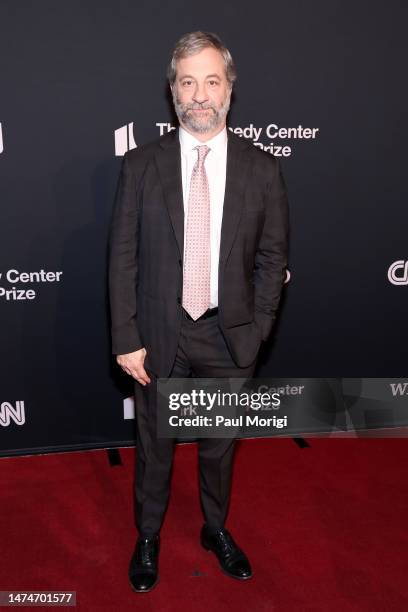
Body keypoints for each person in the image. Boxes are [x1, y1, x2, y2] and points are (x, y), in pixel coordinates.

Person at [108, 30, 289, 593]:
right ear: (173, 91)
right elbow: (122, 257)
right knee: (154, 448)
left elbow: (272, 256)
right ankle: (148, 535)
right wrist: (126, 335)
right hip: (159, 336)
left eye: (212, 80)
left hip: (228, 336)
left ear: (229, 89)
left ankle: (216, 529)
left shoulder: (262, 169)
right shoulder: (142, 166)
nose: (200, 94)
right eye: (188, 82)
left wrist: (256, 330)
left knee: (217, 448)